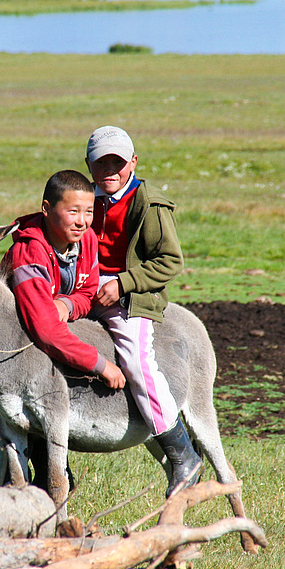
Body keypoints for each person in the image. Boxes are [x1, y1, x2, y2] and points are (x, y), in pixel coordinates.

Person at [0, 169, 126, 487]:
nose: (82, 220)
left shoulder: (83, 239)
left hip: (25, 346)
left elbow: (85, 293)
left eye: (88, 212)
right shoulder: (27, 254)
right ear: (47, 209)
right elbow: (45, 328)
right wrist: (100, 365)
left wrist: (68, 305)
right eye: (73, 211)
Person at [84, 125, 203, 497]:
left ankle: (181, 451)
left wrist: (122, 283)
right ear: (89, 166)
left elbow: (170, 261)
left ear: (133, 162)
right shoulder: (85, 198)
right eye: (101, 162)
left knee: (136, 362)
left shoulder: (148, 204)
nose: (110, 170)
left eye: (117, 162)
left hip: (131, 297)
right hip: (86, 292)